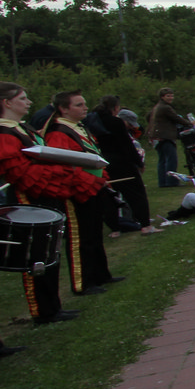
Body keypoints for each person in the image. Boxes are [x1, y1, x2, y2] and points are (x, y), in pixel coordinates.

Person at [0, 82, 79, 331]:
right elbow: (18, 171)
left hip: (45, 192)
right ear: (7, 103)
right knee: (34, 255)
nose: (29, 102)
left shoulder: (21, 127)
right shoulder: (5, 132)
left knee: (49, 251)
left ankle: (53, 306)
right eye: (23, 99)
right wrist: (54, 173)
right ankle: (43, 310)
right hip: (30, 197)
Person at [45, 90, 119, 296]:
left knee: (95, 232)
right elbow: (63, 164)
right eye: (78, 105)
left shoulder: (79, 127)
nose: (85, 108)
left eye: (84, 104)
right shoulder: (58, 132)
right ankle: (83, 282)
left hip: (93, 185)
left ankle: (101, 274)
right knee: (81, 237)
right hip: (77, 190)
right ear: (63, 109)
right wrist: (88, 181)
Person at [85, 96, 159, 236]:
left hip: (102, 161)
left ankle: (115, 228)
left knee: (110, 194)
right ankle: (145, 225)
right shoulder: (115, 122)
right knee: (136, 193)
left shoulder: (91, 121)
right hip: (121, 162)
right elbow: (126, 144)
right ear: (115, 108)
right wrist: (138, 162)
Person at [149, 87, 192, 187]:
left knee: (162, 160)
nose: (170, 98)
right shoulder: (165, 108)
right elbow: (176, 118)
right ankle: (172, 181)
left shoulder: (157, 106)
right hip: (165, 136)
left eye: (172, 96)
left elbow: (148, 116)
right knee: (171, 159)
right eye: (168, 96)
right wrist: (190, 123)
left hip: (156, 136)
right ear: (162, 97)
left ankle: (163, 182)